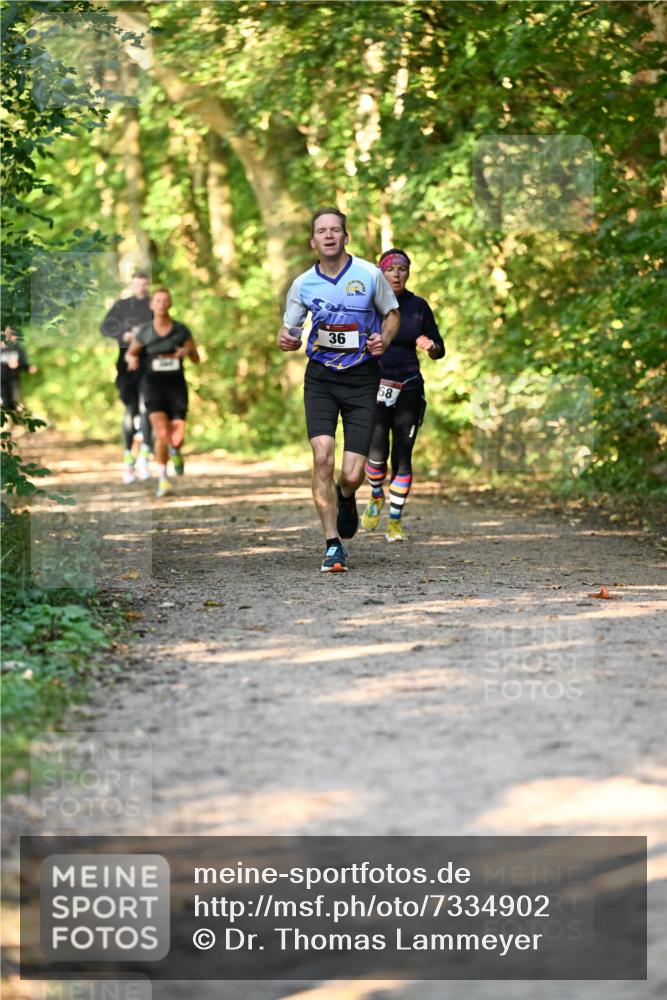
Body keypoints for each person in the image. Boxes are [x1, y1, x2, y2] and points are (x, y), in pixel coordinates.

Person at [278, 208, 400, 573]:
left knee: (350, 473)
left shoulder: (369, 274)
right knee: (322, 457)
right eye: (321, 231)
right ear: (312, 241)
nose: (329, 236)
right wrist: (286, 339)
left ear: (346, 236)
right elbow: (290, 330)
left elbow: (392, 313)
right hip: (321, 379)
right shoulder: (302, 284)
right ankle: (332, 543)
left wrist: (384, 340)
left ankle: (346, 495)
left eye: (335, 230)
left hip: (363, 378)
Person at [361, 248, 445, 541]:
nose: (397, 274)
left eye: (402, 269)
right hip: (375, 384)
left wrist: (430, 345)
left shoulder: (419, 306)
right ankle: (375, 495)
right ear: (381, 273)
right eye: (391, 269)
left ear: (408, 273)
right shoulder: (370, 304)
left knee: (403, 455)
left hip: (409, 385)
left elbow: (440, 349)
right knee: (376, 453)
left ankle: (395, 520)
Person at [124, 288, 200, 498]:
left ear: (170, 304)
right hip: (152, 386)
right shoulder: (145, 330)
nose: (161, 304)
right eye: (157, 300)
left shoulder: (181, 330)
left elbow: (196, 358)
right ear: (152, 305)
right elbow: (131, 353)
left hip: (176, 388)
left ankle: (175, 451)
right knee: (161, 433)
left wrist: (188, 351)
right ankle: (163, 479)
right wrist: (132, 360)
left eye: (165, 300)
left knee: (176, 438)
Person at [100, 271, 153, 483]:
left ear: (148, 285)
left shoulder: (153, 304)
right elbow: (105, 327)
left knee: (147, 407)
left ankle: (145, 459)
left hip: (149, 365)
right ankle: (129, 461)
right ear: (131, 285)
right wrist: (123, 333)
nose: (141, 287)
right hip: (126, 367)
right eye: (137, 284)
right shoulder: (121, 306)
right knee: (131, 411)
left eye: (144, 284)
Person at [1, 326, 37, 410]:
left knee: (13, 403)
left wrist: (29, 368)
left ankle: (13, 417)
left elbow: (23, 364)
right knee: (4, 402)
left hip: (13, 380)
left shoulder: (18, 349)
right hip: (1, 381)